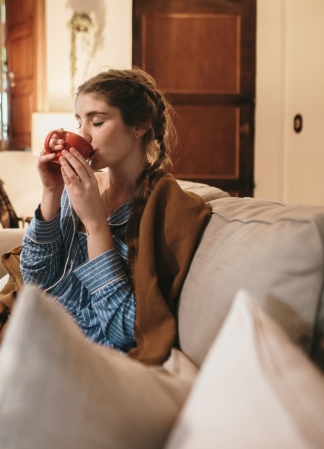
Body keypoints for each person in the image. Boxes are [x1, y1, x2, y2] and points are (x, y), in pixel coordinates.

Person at [20, 68, 211, 364]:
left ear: (139, 127)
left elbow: (125, 329)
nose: (82, 134)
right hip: (32, 326)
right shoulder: (82, 186)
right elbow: (35, 279)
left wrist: (96, 225)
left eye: (97, 122)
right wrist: (51, 192)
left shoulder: (167, 209)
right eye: (79, 121)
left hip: (75, 351)